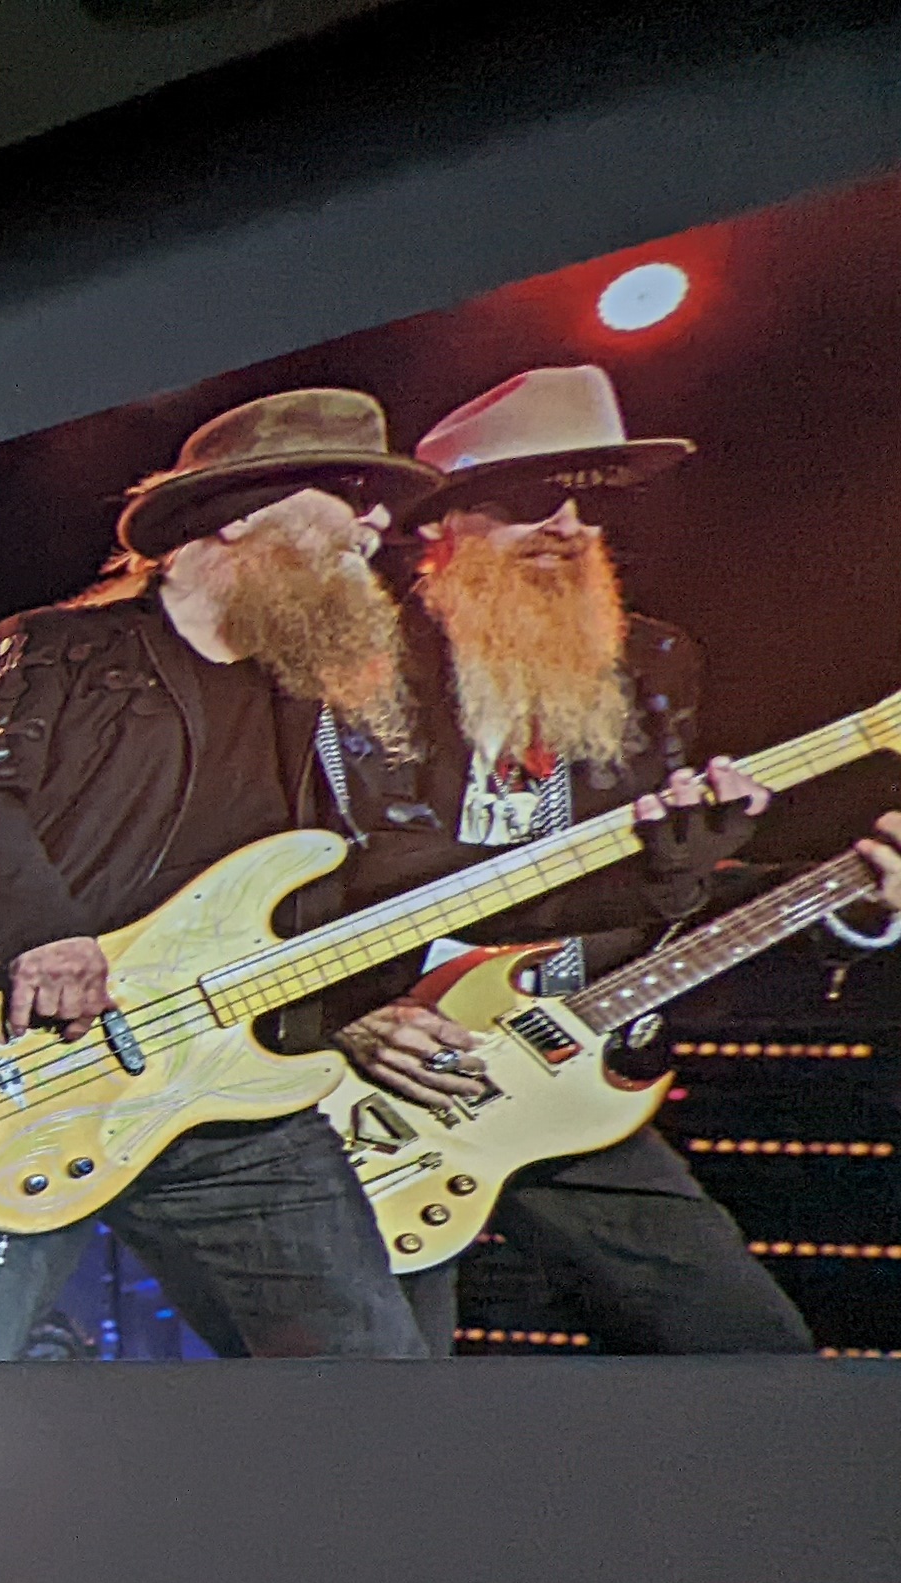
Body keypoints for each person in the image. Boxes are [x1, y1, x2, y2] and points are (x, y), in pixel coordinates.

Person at [326, 365, 884, 1353]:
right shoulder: (351, 666)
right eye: (534, 499)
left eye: (593, 503)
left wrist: (850, 893)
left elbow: (659, 900)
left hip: (558, 1066)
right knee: (381, 1388)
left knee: (750, 1353)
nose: (570, 526)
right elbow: (290, 873)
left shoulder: (652, 664)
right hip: (358, 1074)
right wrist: (345, 1015)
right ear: (437, 525)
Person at [0, 387, 444, 1359]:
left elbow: (394, 872)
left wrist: (657, 860)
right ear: (236, 514)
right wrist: (45, 937)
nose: (375, 525)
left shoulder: (324, 713)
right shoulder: (59, 646)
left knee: (369, 1384)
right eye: (349, 493)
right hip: (28, 1068)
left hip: (231, 1105)